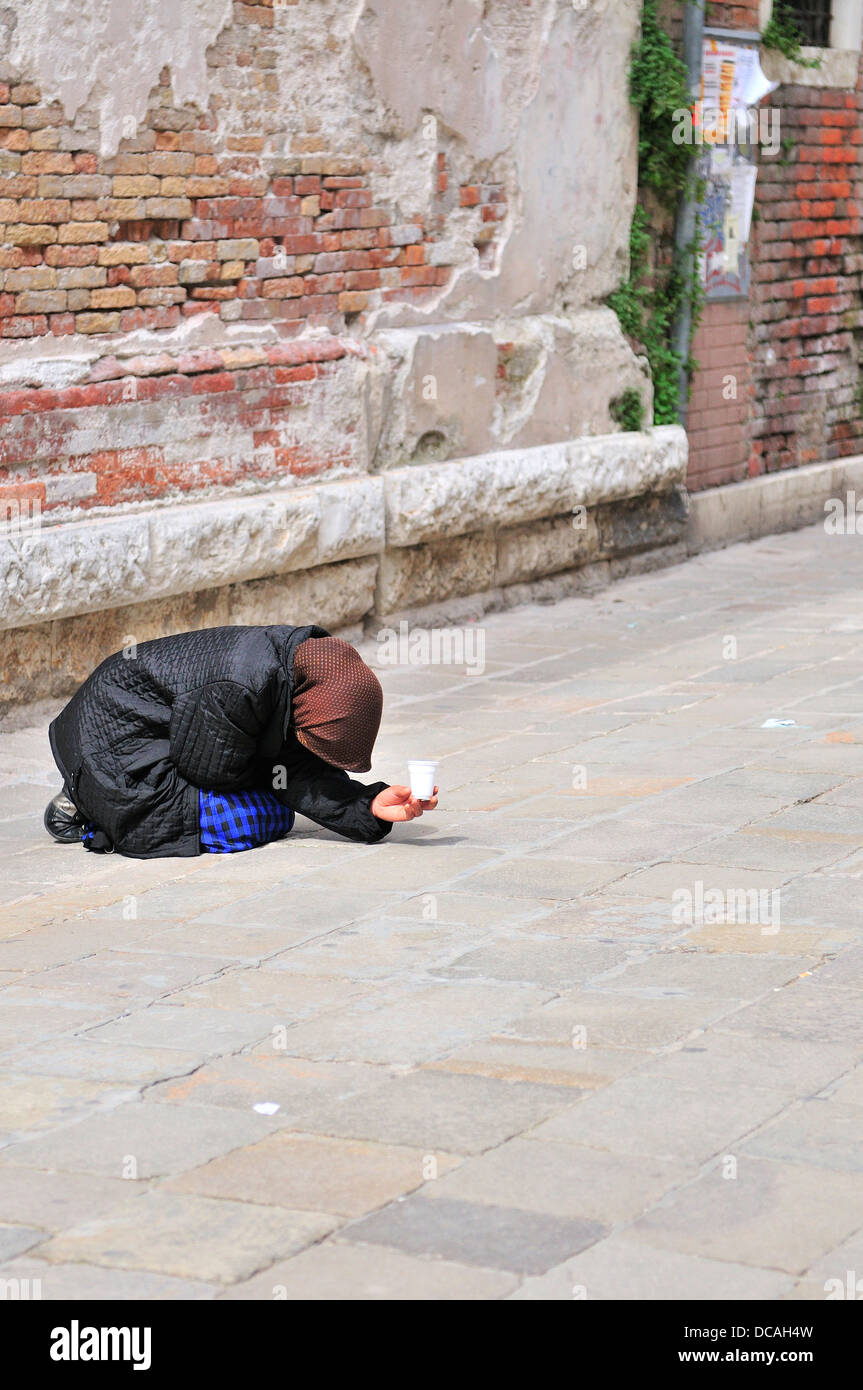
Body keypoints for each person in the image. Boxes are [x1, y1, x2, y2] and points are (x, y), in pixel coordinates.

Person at [43, 624, 437, 857]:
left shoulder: (297, 669)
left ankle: (84, 795)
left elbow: (289, 766)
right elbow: (214, 771)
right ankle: (87, 798)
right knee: (263, 816)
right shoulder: (239, 686)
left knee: (280, 796)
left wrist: (367, 806)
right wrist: (283, 784)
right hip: (113, 753)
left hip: (147, 738)